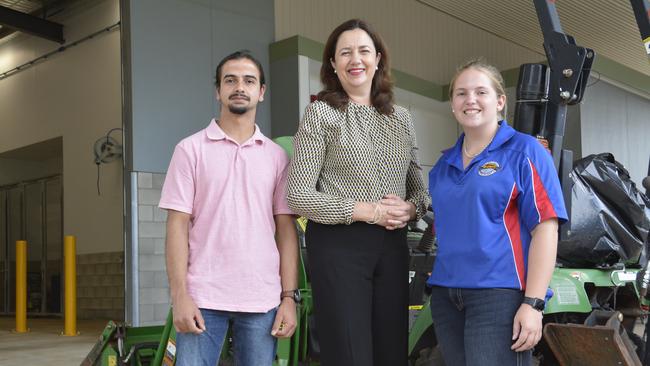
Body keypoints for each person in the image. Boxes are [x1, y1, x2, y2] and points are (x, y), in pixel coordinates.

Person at [287, 19, 430, 366]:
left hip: (392, 247)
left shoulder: (401, 118)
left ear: (378, 59)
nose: (356, 59)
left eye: (364, 51)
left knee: (392, 350)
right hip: (339, 247)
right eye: (345, 52)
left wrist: (410, 210)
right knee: (350, 352)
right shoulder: (321, 114)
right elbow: (299, 195)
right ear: (333, 64)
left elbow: (420, 192)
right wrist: (368, 211)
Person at [159, 50, 299, 366]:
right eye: (230, 80)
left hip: (261, 299)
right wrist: (180, 296)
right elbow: (177, 225)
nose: (239, 87)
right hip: (202, 297)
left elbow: (286, 231)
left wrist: (289, 299)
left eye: (249, 81)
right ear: (218, 90)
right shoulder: (190, 150)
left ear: (261, 92)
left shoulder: (278, 157)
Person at [426, 59, 568, 365]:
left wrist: (533, 303)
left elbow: (545, 228)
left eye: (481, 92)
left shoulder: (524, 151)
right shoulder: (442, 166)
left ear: (500, 101)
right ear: (452, 105)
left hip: (499, 296)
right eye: (461, 93)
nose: (470, 100)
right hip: (447, 296)